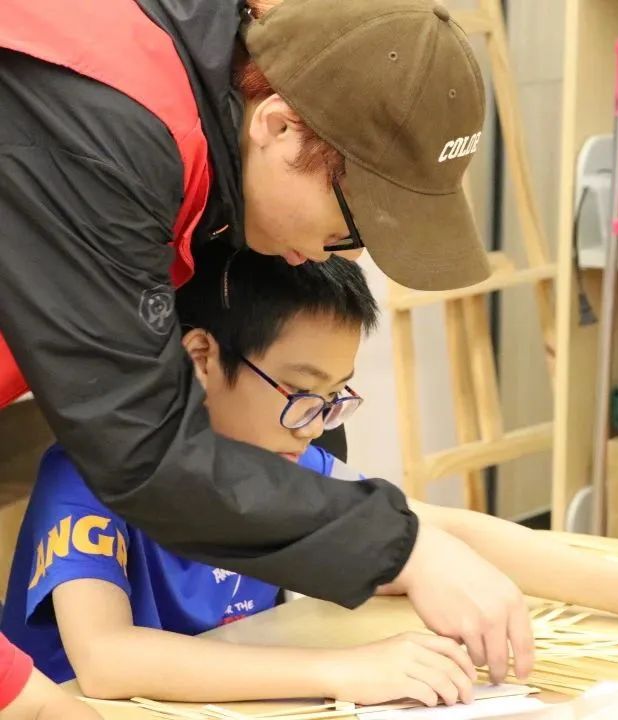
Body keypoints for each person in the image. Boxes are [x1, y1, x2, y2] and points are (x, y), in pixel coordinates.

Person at [0, 0, 519, 709]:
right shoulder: (113, 122)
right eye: (353, 226)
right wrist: (400, 547)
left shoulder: (198, 90)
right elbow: (145, 453)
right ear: (278, 125)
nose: (345, 257)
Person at [4, 249, 618, 709]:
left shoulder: (280, 462)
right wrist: (340, 670)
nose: (315, 426)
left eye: (334, 397)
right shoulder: (91, 472)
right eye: (299, 392)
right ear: (201, 358)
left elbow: (438, 535)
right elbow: (107, 661)